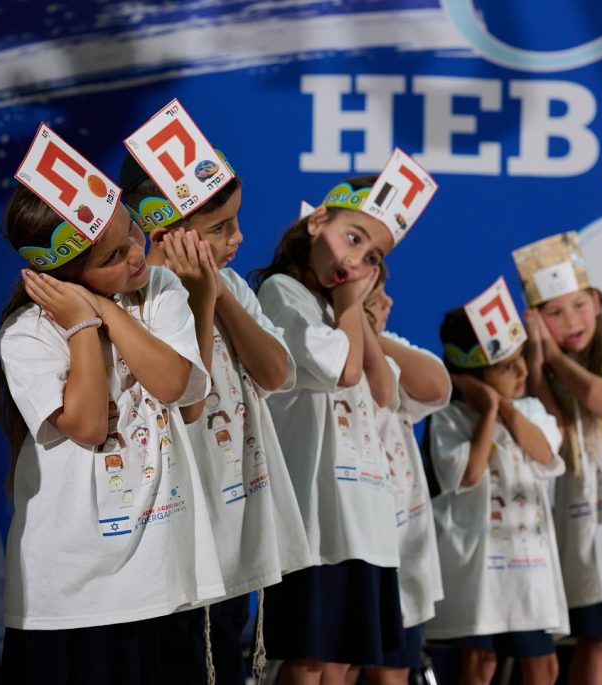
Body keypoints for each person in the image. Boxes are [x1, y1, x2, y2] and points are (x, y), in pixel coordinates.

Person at [0, 159, 224, 684]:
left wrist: (104, 305)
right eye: (113, 257)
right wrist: (80, 325)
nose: (137, 255)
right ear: (63, 275)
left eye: (134, 234)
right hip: (71, 590)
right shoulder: (28, 334)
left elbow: (177, 386)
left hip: (162, 576)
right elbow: (90, 425)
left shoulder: (160, 291)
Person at [119, 150, 310, 684]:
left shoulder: (235, 288)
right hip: (173, 525)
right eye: (220, 226)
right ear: (163, 228)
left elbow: (274, 373)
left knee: (222, 654)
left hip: (231, 521)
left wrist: (218, 290)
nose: (239, 238)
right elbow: (187, 398)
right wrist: (198, 296)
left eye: (236, 222)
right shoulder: (141, 299)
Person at [254, 162, 435, 684]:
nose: (355, 261)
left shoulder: (340, 309)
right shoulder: (284, 295)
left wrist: (353, 308)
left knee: (344, 659)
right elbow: (343, 366)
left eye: (372, 256)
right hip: (315, 518)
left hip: (366, 517)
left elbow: (384, 390)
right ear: (316, 223)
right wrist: (350, 302)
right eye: (352, 238)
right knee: (309, 659)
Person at [514, 232, 602, 684]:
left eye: (579, 305)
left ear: (597, 300)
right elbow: (556, 435)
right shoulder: (544, 366)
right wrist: (537, 364)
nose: (571, 320)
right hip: (585, 534)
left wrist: (557, 360)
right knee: (596, 643)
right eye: (554, 312)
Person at [426, 302, 566, 685]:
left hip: (530, 566)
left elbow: (543, 451)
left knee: (543, 666)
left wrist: (502, 404)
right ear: (473, 376)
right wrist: (487, 411)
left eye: (521, 359)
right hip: (479, 570)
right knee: (480, 662)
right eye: (506, 367)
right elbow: (468, 475)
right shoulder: (450, 419)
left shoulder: (533, 411)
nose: (522, 371)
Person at [362, 280, 449, 684]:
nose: (389, 301)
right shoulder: (322, 346)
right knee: (336, 665)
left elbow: (437, 386)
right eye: (375, 294)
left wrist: (374, 335)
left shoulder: (385, 345)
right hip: (359, 538)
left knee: (394, 668)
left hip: (404, 545)